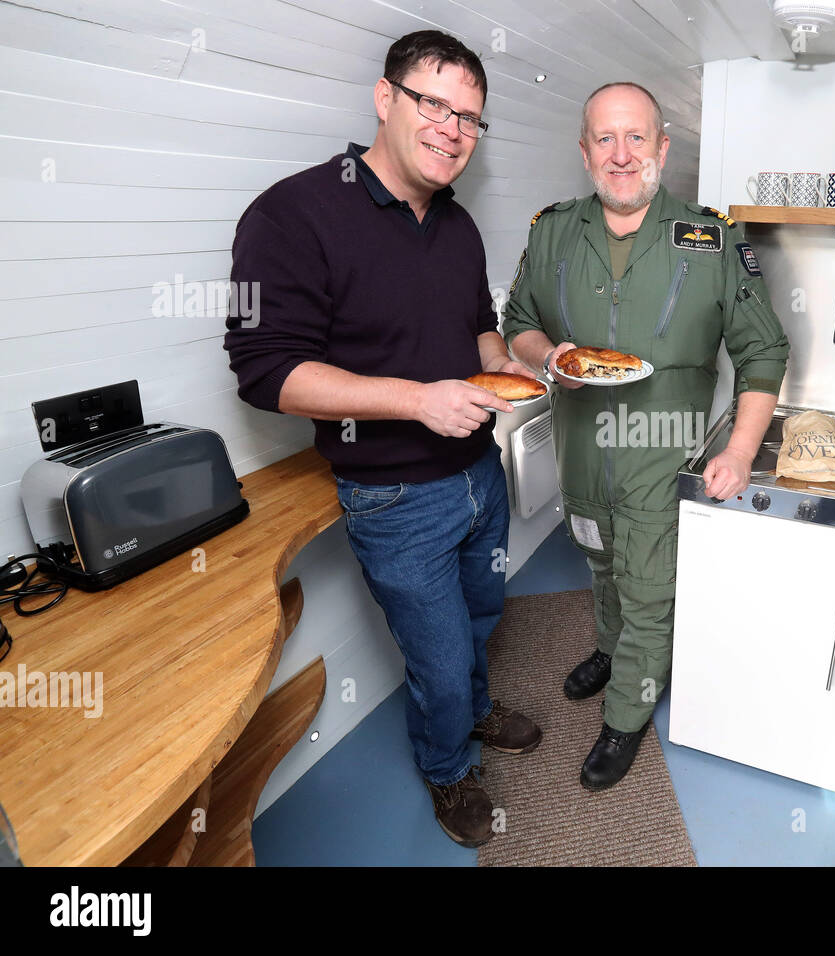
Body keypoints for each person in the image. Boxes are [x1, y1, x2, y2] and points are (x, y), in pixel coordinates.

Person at [223, 30, 542, 849]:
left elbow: (478, 335)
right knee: (435, 657)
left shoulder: (459, 227)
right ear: (385, 97)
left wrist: (523, 371)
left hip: (480, 472)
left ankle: (473, 711)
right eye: (435, 104)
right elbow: (266, 371)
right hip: (395, 495)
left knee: (481, 617)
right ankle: (448, 768)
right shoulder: (292, 213)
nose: (452, 130)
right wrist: (417, 402)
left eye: (470, 118)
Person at [502, 82, 789, 790]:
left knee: (650, 586)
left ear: (663, 147)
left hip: (661, 458)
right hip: (581, 456)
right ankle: (609, 647)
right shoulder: (552, 230)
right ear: (585, 151)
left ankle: (627, 716)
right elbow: (517, 322)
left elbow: (765, 352)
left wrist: (741, 450)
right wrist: (549, 358)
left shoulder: (712, 238)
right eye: (605, 139)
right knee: (599, 564)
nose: (621, 155)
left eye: (637, 138)